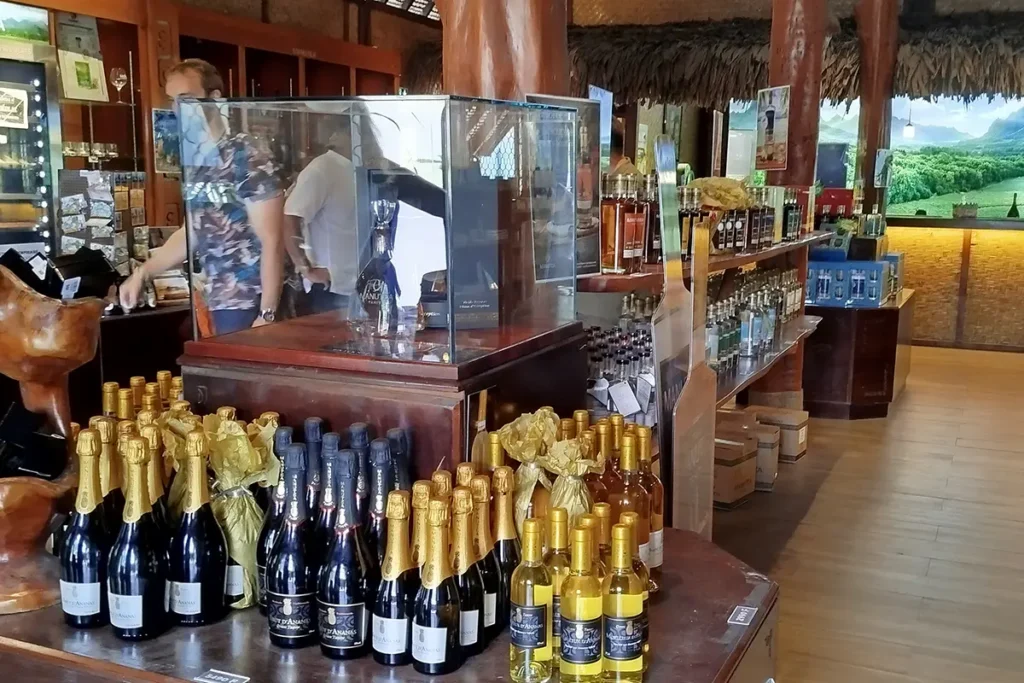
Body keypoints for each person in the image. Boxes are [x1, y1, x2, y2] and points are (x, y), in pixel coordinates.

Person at [119, 59, 284, 335]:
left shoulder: (247, 154)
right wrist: (142, 273)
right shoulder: (196, 160)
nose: (178, 109)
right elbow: (191, 232)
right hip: (218, 299)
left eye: (186, 99)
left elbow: (273, 239)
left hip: (249, 299)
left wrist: (268, 313)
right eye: (173, 101)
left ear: (214, 99)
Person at [283, 127, 358, 315]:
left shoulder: (357, 169)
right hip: (331, 288)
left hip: (360, 286)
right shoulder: (322, 168)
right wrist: (305, 269)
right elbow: (290, 217)